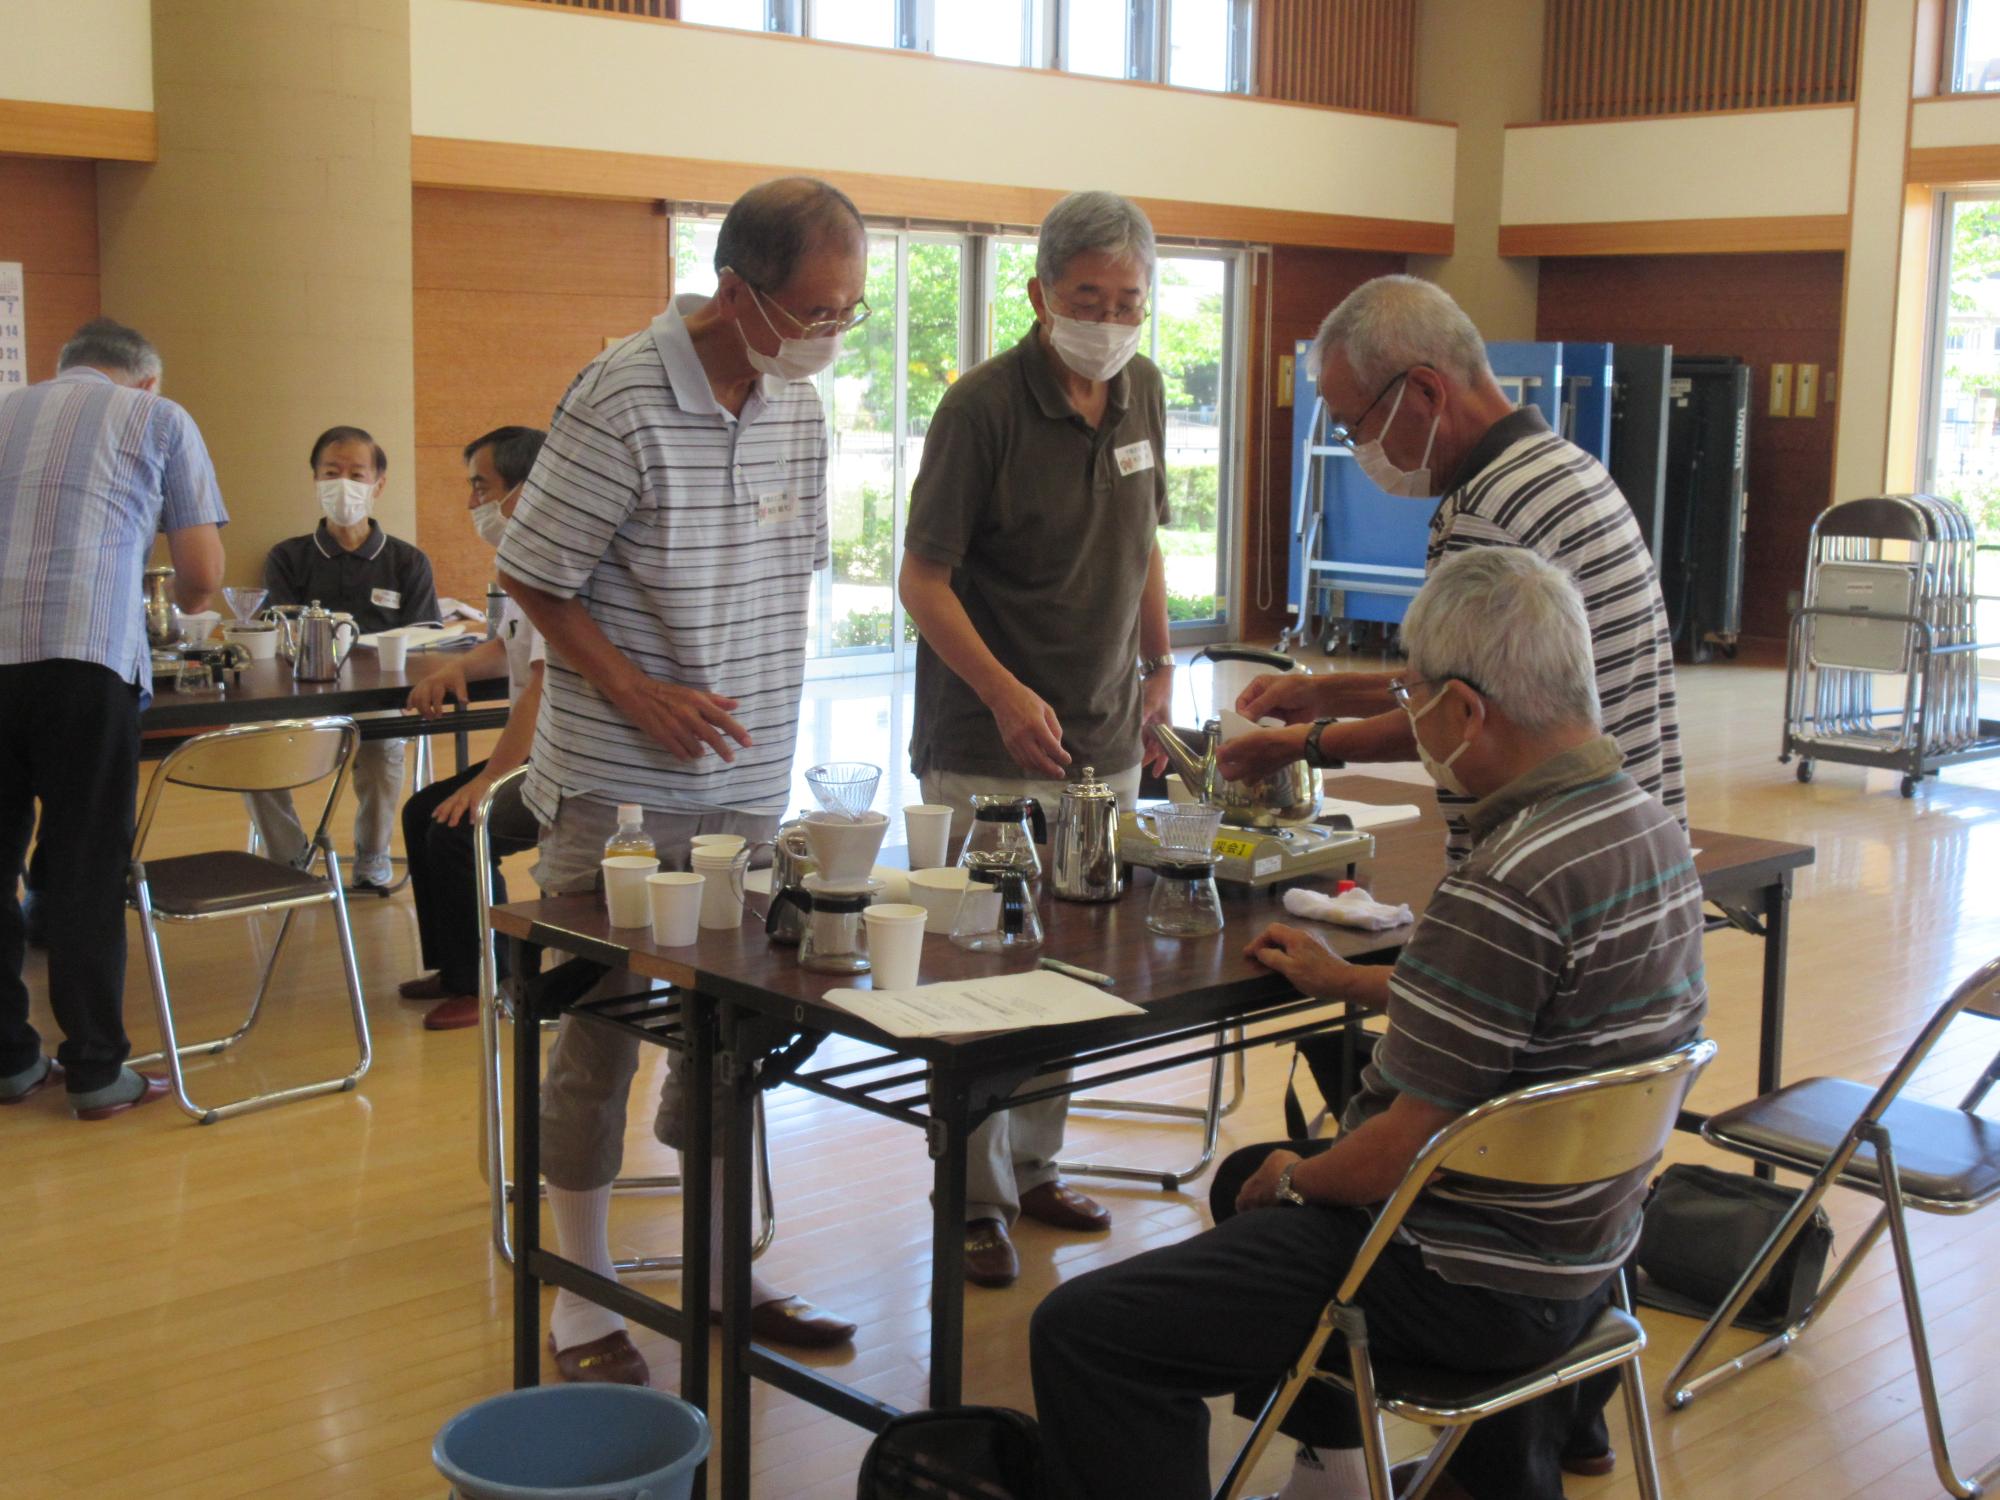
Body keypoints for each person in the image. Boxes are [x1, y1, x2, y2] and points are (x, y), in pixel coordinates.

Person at [1029, 547, 1709, 1500]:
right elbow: (1542, 1016)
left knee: (1087, 1330)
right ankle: (1345, 1473)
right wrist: (1360, 984)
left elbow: (1396, 1147)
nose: (1413, 720)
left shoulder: (1509, 881)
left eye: (1418, 698)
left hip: (1457, 1272)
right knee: (1239, 1176)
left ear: (1467, 712)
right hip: (1588, 1251)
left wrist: (1300, 1177)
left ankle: (1363, 1458)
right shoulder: (1650, 831)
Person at [499, 177, 867, 1384]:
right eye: (814, 309)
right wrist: (637, 690)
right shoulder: (620, 395)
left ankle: (718, 1273)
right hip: (615, 785)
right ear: (736, 291)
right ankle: (581, 1301)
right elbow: (536, 576)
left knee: (730, 1037)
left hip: (747, 784)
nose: (828, 333)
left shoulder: (798, 407)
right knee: (598, 1029)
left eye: (846, 313)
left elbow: (786, 575)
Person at [898, 189, 1174, 1288]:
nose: (1107, 321)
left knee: (1070, 967)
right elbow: (920, 581)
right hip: (983, 739)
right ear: (1039, 295)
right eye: (1086, 299)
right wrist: (1007, 693)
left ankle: (1035, 1163)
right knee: (980, 976)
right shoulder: (981, 409)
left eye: (1126, 301)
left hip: (1104, 734)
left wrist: (1157, 668)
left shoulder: (1141, 389)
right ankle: (968, 1197)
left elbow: (1146, 537)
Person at [1218, 274, 1685, 866]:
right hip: (1627, 837)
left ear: (1425, 392)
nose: (1357, 447)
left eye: (1353, 425)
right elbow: (1481, 682)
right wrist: (1324, 691)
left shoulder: (1486, 513)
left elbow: (1454, 720)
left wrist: (1302, 745)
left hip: (1545, 858)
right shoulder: (1567, 467)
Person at [0, 318, 227, 1119]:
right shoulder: (157, 418)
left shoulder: (3, 411)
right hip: (84, 657)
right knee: (86, 868)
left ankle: (7, 1061)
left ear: (61, 371)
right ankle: (96, 1070)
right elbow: (200, 575)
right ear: (145, 380)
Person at [396, 426, 548, 1032]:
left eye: (481, 486)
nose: (471, 503)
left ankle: (494, 978)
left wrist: (489, 780)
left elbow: (542, 690)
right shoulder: (522, 559)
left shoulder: (551, 565)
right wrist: (458, 666)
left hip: (573, 765)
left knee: (460, 826)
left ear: (524, 489)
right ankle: (459, 969)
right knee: (421, 812)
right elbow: (504, 648)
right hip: (542, 754)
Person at [250, 426, 440, 893]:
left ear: (379, 483)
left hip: (376, 698)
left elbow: (427, 641)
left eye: (357, 474)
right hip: (300, 696)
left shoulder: (407, 562)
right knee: (253, 750)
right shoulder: (288, 556)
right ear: (315, 480)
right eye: (331, 473)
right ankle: (290, 859)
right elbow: (277, 633)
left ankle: (372, 854)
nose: (343, 485)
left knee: (382, 748)